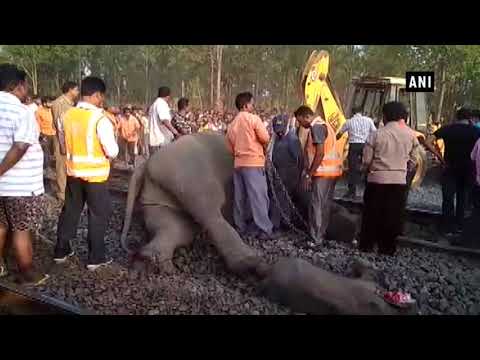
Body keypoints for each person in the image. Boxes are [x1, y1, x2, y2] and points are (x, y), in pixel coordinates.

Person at [54, 76, 118, 270]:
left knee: (71, 211)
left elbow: (63, 147)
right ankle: (95, 257)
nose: (102, 101)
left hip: (73, 173)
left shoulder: (64, 116)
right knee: (99, 213)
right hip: (96, 177)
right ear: (97, 95)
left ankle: (61, 250)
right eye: (102, 97)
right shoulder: (100, 119)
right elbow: (112, 151)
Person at [0, 64, 48, 285]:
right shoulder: (22, 112)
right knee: (21, 230)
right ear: (18, 86)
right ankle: (27, 273)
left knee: (0, 226)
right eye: (25, 84)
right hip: (21, 186)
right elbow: (20, 146)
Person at [359, 102, 420, 255]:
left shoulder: (376, 134)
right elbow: (415, 158)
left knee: (372, 214)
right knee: (393, 215)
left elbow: (366, 160)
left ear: (385, 116)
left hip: (377, 180)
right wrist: (405, 169)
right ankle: (387, 248)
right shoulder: (411, 135)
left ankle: (367, 245)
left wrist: (366, 170)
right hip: (399, 181)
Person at [226, 92, 273, 240]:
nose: (253, 106)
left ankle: (241, 227)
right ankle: (264, 229)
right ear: (246, 105)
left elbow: (229, 147)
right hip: (254, 163)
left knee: (240, 197)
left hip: (238, 164)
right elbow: (265, 138)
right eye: (252, 104)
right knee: (259, 197)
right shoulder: (253, 119)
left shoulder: (232, 124)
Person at [295, 105, 343, 245]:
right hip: (332, 172)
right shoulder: (325, 125)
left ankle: (315, 238)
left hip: (322, 172)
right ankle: (321, 234)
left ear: (306, 116)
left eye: (300, 121)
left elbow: (320, 152)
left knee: (316, 204)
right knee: (325, 205)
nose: (300, 125)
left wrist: (309, 174)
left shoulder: (316, 128)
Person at [428, 108, 480, 235]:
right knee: (463, 198)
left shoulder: (448, 129)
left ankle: (447, 227)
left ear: (457, 117)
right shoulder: (476, 131)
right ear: (469, 118)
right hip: (468, 169)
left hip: (449, 167)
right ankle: (460, 227)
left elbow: (428, 141)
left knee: (448, 198)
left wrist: (440, 157)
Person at [269, 114, 304, 232]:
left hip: (288, 174)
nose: (279, 133)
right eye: (277, 131)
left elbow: (299, 159)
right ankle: (283, 222)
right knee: (279, 198)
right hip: (277, 172)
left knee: (280, 199)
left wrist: (298, 177)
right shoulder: (276, 139)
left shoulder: (292, 139)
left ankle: (278, 224)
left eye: (281, 131)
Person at [336, 106, 377, 198]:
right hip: (366, 146)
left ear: (352, 112)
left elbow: (339, 134)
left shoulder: (349, 122)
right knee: (368, 168)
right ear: (362, 112)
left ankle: (351, 192)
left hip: (353, 146)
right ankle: (369, 192)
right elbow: (375, 133)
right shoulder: (369, 120)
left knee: (352, 169)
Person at [51, 81, 80, 202]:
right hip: (62, 140)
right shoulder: (59, 103)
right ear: (70, 90)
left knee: (70, 167)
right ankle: (62, 194)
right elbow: (59, 126)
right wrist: (63, 145)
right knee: (62, 167)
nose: (78, 92)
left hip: (71, 140)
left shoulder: (72, 104)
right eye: (76, 90)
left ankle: (69, 191)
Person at [148, 86, 179, 155]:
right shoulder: (161, 104)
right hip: (161, 142)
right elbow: (165, 120)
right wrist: (176, 133)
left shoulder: (153, 105)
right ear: (168, 96)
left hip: (154, 141)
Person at [36, 96, 56, 170]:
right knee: (46, 153)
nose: (51, 103)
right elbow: (37, 125)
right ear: (44, 103)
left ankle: (52, 166)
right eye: (49, 102)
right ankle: (47, 168)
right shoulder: (39, 112)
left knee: (53, 152)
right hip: (45, 135)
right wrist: (41, 135)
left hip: (53, 133)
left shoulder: (52, 110)